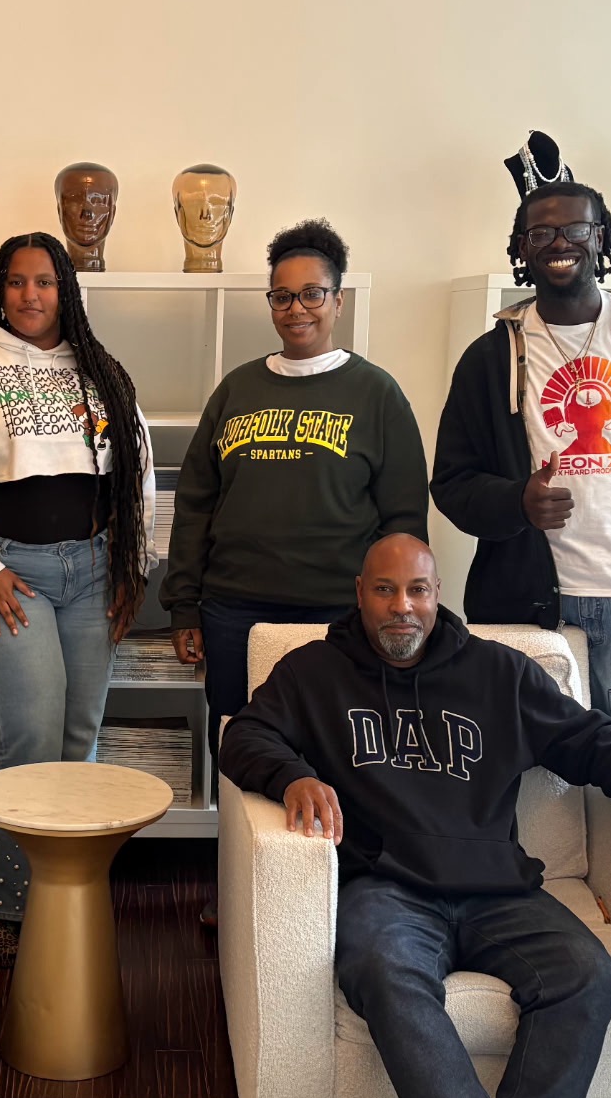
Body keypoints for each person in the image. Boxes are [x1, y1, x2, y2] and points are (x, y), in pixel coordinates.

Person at [218, 534, 611, 1098]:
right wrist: (293, 777)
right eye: (385, 590)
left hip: (498, 891)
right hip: (385, 888)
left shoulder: (498, 672)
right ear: (360, 594)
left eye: (417, 590)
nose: (402, 606)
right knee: (382, 972)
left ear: (437, 595)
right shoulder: (314, 672)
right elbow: (244, 735)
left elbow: (585, 737)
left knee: (587, 973)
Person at [432, 182, 611, 771]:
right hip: (525, 598)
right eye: (541, 232)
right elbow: (451, 482)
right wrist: (517, 502)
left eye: (575, 229)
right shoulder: (491, 359)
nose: (559, 243)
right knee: (526, 769)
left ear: (601, 238)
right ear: (522, 246)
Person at [0, 231, 156, 965]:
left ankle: (67, 892)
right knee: (26, 732)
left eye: (45, 282)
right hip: (5, 571)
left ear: (66, 292)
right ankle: (0, 902)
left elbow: (139, 471)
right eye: (17, 282)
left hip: (93, 568)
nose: (30, 295)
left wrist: (132, 565)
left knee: (78, 734)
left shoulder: (101, 371)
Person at [164, 218, 428, 750]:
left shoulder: (376, 394)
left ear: (338, 301)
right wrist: (184, 604)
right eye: (282, 297)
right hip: (235, 610)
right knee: (240, 744)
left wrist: (392, 607)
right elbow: (195, 504)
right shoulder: (237, 389)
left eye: (312, 294)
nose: (296, 309)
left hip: (337, 611)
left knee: (334, 747)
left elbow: (404, 521)